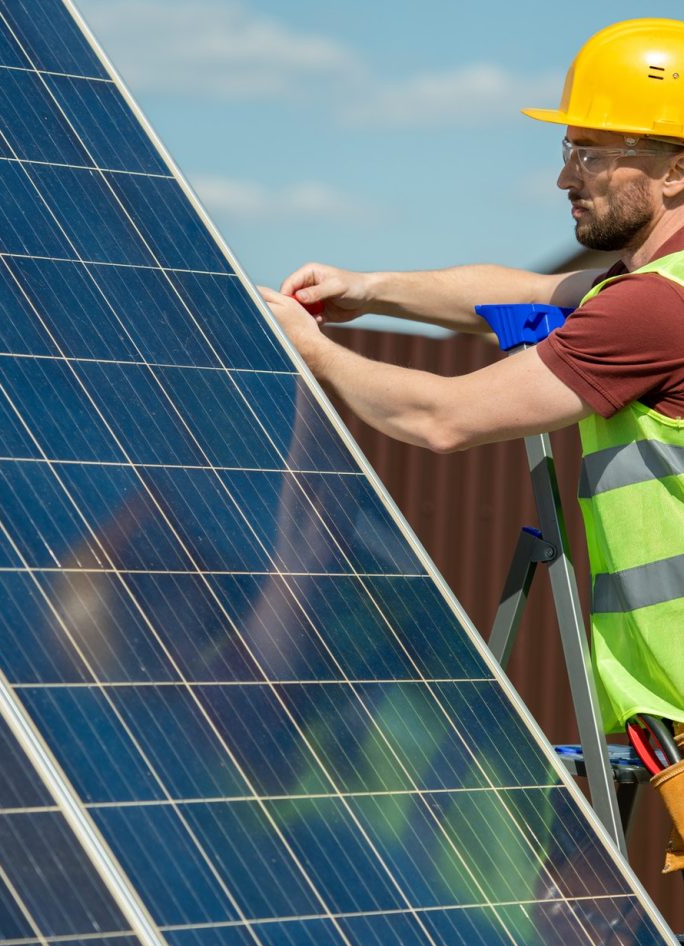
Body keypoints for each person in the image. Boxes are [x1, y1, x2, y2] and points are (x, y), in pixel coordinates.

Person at [260, 18, 684, 866]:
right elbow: (521, 290)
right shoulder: (640, 289)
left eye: (594, 153)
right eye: (570, 150)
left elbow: (441, 419)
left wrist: (310, 348)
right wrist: (368, 289)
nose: (567, 176)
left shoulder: (652, 310)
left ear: (676, 167)